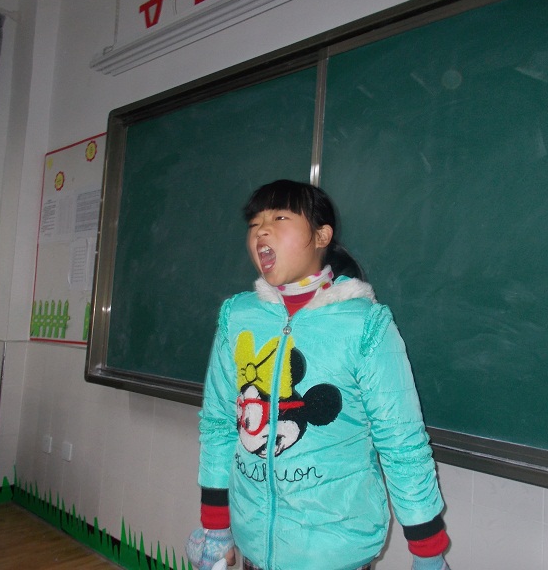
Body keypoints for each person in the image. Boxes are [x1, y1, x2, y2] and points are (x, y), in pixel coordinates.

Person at [187, 180, 450, 570]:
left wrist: (428, 553)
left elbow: (402, 443)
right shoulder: (238, 316)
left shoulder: (364, 325)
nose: (261, 231)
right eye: (254, 223)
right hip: (253, 549)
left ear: (322, 235)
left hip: (334, 553)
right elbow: (218, 423)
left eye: (279, 218)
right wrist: (215, 526)